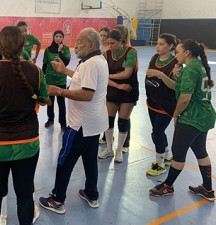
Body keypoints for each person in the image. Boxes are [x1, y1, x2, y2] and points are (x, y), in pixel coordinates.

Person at [0, 25, 50, 225]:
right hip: (28, 143)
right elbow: (43, 100)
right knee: (25, 195)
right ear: (23, 45)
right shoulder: (36, 72)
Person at [39, 28, 108, 214]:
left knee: (64, 162)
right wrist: (64, 70)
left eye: (79, 41)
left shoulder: (90, 64)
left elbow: (86, 94)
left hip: (79, 126)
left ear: (91, 44)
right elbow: (82, 80)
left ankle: (57, 200)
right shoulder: (97, 60)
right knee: (90, 162)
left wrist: (59, 91)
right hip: (94, 125)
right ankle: (91, 194)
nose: (75, 45)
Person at [149, 39, 215, 201]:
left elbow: (184, 98)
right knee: (200, 151)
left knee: (178, 153)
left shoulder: (191, 70)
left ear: (187, 53)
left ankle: (167, 186)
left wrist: (176, 114)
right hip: (204, 115)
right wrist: (168, 76)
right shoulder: (196, 66)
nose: (175, 54)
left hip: (192, 117)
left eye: (178, 51)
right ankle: (207, 189)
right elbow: (177, 87)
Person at [98, 29, 138, 163]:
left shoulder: (131, 52)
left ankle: (119, 149)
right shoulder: (105, 54)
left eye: (113, 43)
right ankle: (109, 149)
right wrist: (118, 85)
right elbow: (102, 76)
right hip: (114, 90)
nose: (110, 46)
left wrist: (108, 76)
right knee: (108, 120)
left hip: (128, 91)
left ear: (121, 42)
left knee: (123, 121)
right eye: (108, 43)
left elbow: (127, 74)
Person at [145, 33, 179, 176]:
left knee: (157, 133)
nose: (157, 46)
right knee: (158, 131)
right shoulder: (154, 58)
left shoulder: (176, 63)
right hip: (152, 101)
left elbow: (176, 86)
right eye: (157, 43)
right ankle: (167, 156)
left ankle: (159, 165)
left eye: (161, 44)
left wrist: (160, 75)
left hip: (166, 105)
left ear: (170, 46)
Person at [42, 30, 71, 130]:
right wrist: (42, 77)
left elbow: (66, 63)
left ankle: (63, 123)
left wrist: (60, 51)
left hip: (61, 80)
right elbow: (45, 64)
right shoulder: (47, 50)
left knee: (61, 103)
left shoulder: (66, 49)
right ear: (53, 37)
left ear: (63, 38)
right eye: (56, 36)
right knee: (50, 102)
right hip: (49, 79)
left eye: (60, 37)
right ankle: (50, 119)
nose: (58, 38)